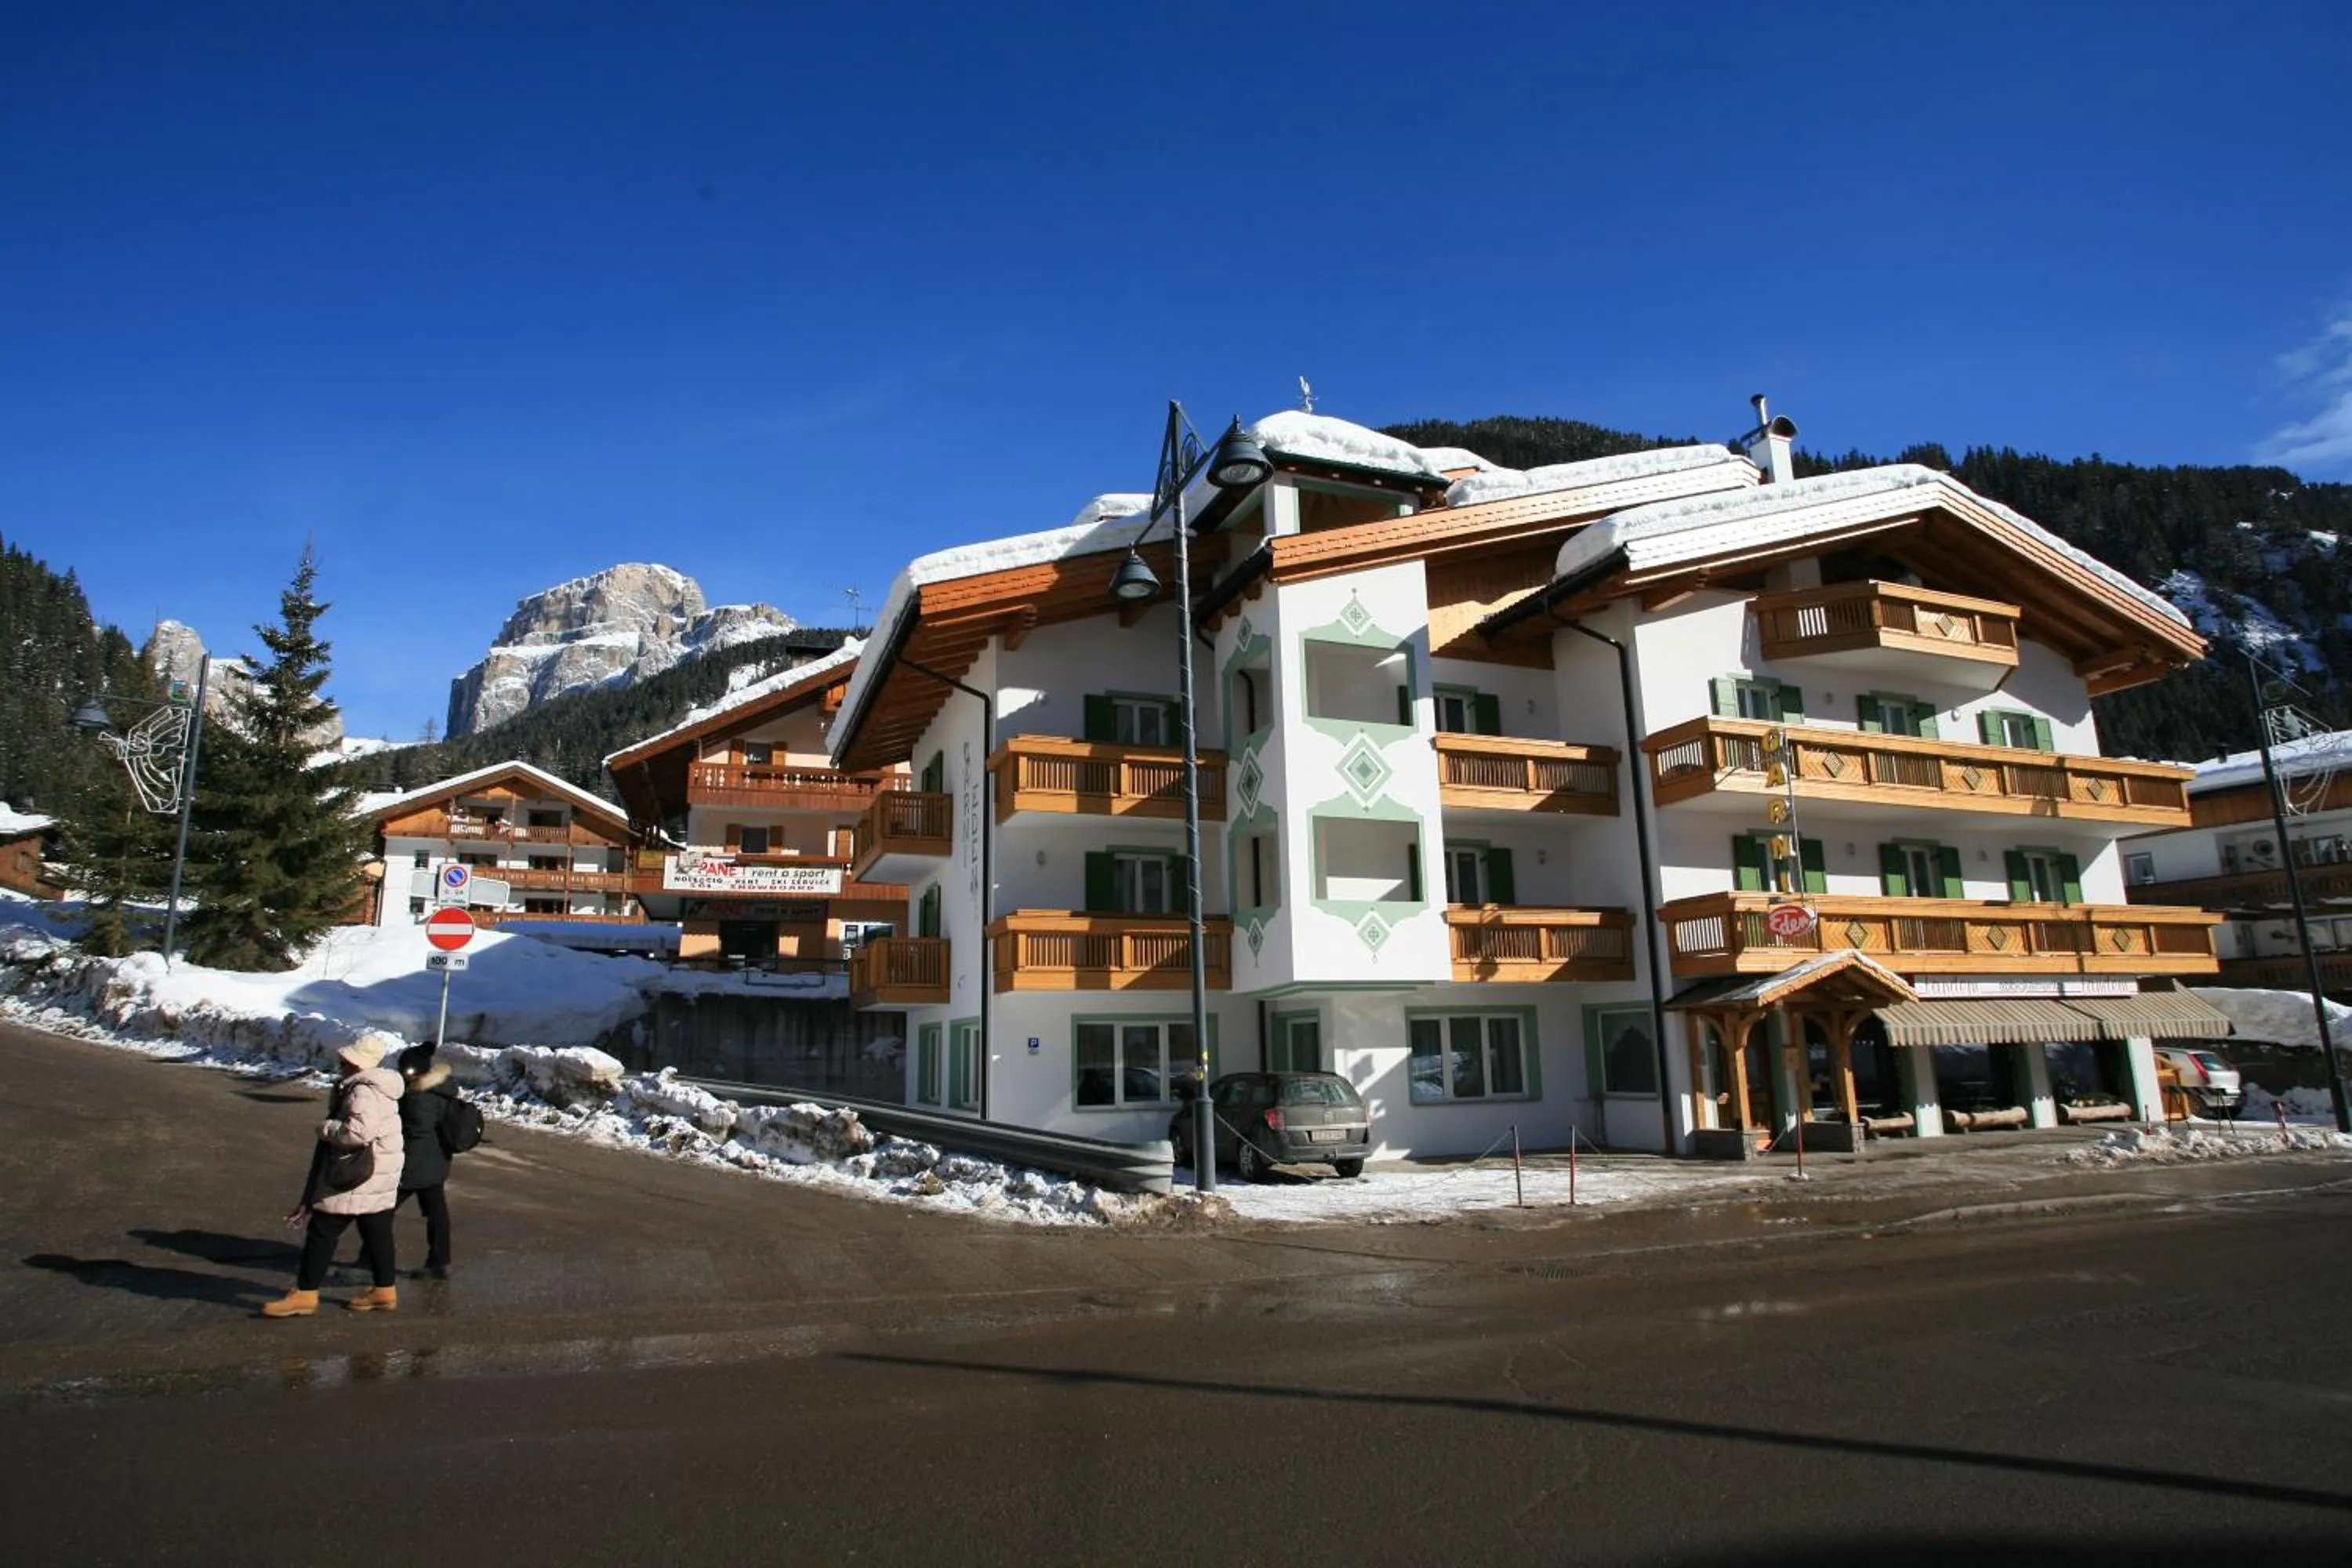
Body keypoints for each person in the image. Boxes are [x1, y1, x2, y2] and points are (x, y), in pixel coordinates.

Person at [263, 1033, 406, 1317]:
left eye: (346, 1060)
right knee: (377, 1231)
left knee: (323, 1230)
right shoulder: (382, 1087)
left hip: (356, 1175)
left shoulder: (362, 1090)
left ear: (357, 1063)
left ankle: (305, 1294)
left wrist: (327, 1129)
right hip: (378, 1174)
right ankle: (385, 1290)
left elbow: (359, 1132)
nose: (341, 1063)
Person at [392, 1044, 458, 1279]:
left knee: (380, 1211)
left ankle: (368, 1262)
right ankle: (440, 1261)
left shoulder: (418, 1097)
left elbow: (413, 1134)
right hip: (437, 1161)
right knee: (437, 1213)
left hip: (414, 1164)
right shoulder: (443, 1090)